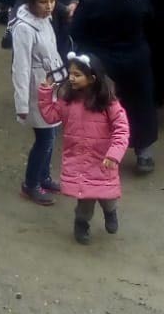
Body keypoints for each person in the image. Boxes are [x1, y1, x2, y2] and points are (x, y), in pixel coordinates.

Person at [71, 0, 157, 172]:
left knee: (106, 106)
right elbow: (151, 24)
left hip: (104, 63)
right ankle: (143, 153)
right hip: (137, 59)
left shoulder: (90, 0)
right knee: (141, 105)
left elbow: (77, 32)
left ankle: (106, 153)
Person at [37, 54, 130, 242]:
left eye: (77, 74)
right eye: (70, 73)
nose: (71, 78)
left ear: (92, 78)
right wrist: (46, 94)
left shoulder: (108, 102)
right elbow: (51, 116)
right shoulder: (67, 100)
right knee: (85, 199)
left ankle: (110, 213)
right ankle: (81, 224)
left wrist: (114, 154)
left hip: (103, 161)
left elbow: (122, 129)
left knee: (108, 197)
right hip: (80, 160)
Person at [10, 0, 62, 205]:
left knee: (52, 134)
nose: (49, 6)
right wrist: (22, 104)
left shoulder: (45, 20)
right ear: (31, 2)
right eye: (43, 1)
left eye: (52, 0)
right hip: (36, 90)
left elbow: (53, 51)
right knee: (45, 138)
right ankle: (31, 184)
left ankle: (44, 176)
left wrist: (62, 77)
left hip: (52, 87)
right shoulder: (23, 28)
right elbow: (20, 67)